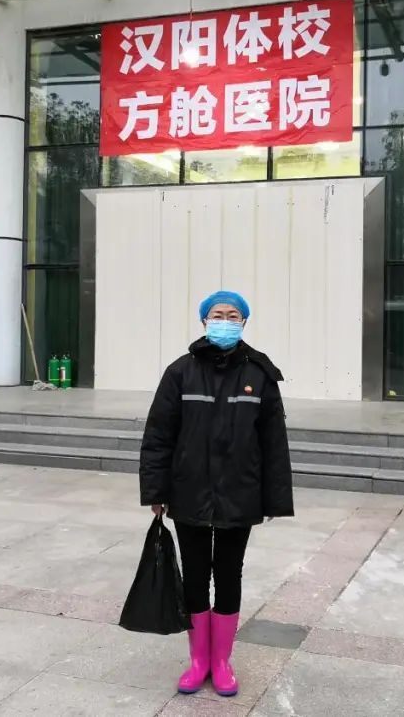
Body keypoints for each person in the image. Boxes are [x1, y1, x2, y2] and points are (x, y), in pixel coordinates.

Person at [139, 289, 294, 697]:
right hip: (188, 492)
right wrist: (156, 490)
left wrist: (274, 497)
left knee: (228, 575)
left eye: (233, 315)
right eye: (217, 314)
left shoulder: (260, 374)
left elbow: (274, 443)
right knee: (194, 576)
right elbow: (158, 436)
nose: (225, 321)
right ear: (204, 320)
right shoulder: (180, 372)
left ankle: (222, 661)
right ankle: (198, 660)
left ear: (244, 322)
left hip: (239, 494)